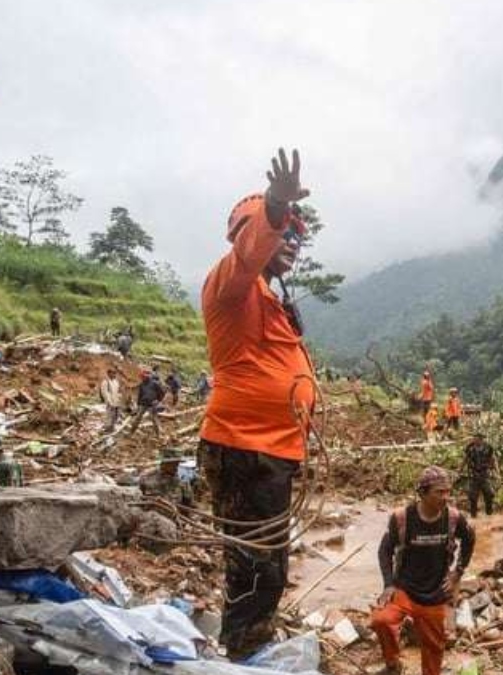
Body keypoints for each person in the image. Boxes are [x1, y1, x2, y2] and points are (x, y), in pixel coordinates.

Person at [198, 149, 317, 660]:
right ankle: (243, 654)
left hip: (271, 450)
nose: (291, 243)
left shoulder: (268, 298)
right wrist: (274, 205)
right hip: (245, 447)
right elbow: (249, 251)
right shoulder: (230, 284)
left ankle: (248, 644)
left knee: (265, 563)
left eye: (295, 236)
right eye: (281, 234)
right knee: (256, 567)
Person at [370, 466, 474, 675]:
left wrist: (457, 573)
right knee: (380, 620)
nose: (445, 497)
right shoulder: (402, 518)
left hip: (435, 593)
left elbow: (470, 539)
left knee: (434, 648)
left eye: (447, 491)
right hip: (405, 590)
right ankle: (393, 664)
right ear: (423, 493)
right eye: (439, 492)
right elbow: (384, 551)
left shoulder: (454, 518)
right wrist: (388, 584)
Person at [463, 432, 498, 517]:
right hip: (473, 474)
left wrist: (497, 471)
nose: (475, 440)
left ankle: (489, 513)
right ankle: (473, 515)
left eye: (478, 438)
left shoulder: (488, 448)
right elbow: (465, 459)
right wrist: (459, 470)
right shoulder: (470, 448)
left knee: (489, 494)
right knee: (472, 496)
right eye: (474, 438)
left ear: (481, 439)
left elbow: (493, 459)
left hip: (485, 473)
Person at [129, 369, 166, 437]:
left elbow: (162, 392)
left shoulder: (155, 383)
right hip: (143, 404)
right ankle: (131, 432)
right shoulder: (142, 384)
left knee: (154, 419)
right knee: (137, 418)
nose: (142, 378)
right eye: (141, 377)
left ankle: (158, 434)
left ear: (147, 376)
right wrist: (138, 405)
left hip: (152, 405)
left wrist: (158, 400)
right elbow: (140, 395)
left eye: (143, 376)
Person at [98, 368, 124, 432]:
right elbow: (104, 393)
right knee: (109, 415)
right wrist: (109, 402)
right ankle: (108, 427)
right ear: (109, 374)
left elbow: (118, 391)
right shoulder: (105, 382)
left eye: (115, 373)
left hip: (116, 401)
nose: (114, 375)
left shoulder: (115, 382)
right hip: (110, 402)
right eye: (113, 373)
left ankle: (112, 426)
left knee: (115, 415)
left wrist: (119, 398)